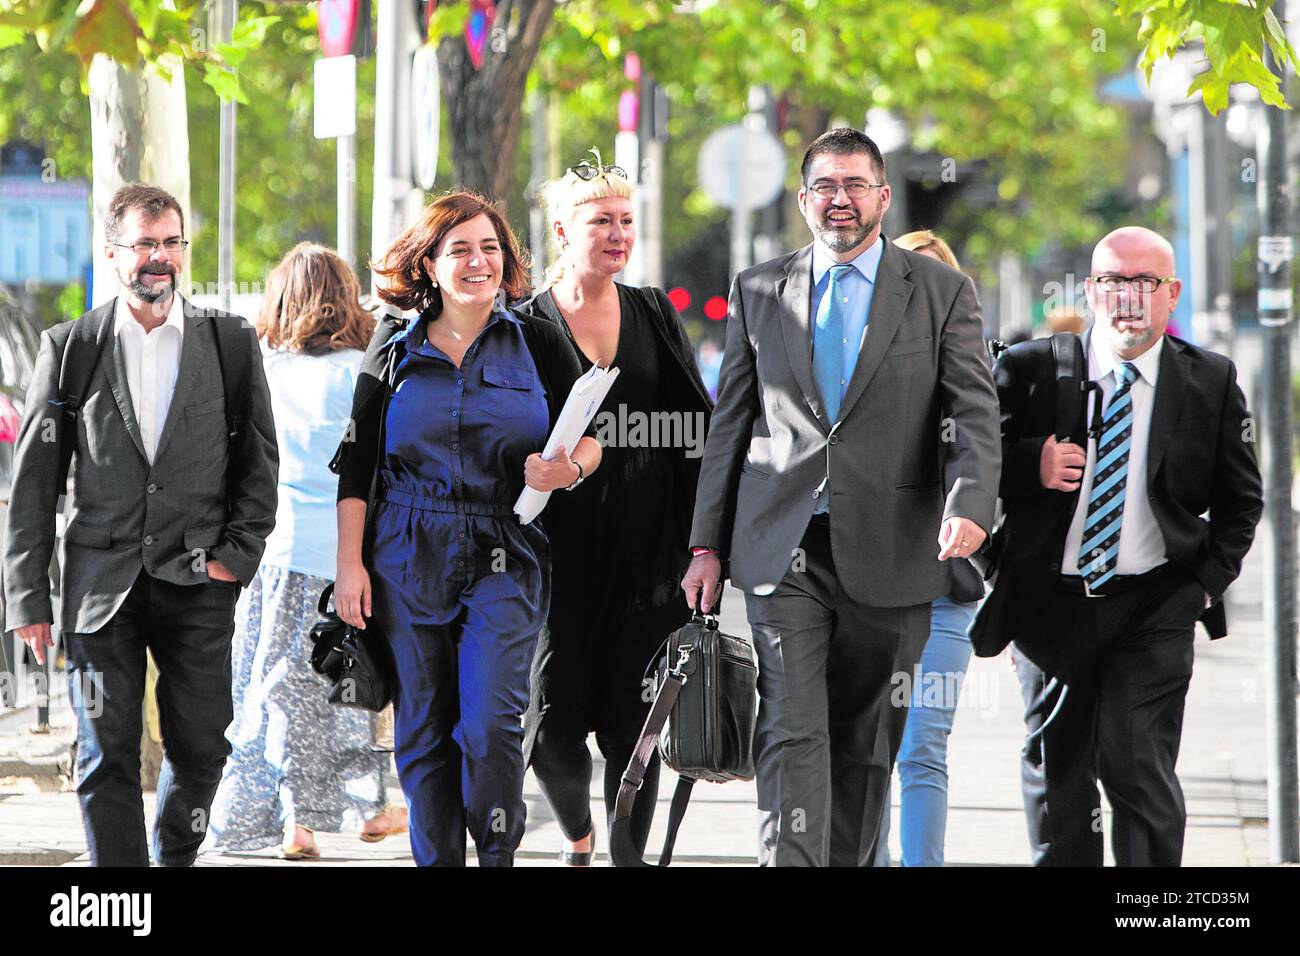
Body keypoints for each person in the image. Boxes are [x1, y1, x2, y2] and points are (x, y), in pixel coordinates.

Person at [682, 129, 1001, 867]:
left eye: (856, 185)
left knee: (865, 743)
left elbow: (973, 413)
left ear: (883, 197)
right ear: (803, 200)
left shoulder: (942, 292)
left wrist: (971, 502)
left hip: (894, 548)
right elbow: (729, 424)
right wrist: (706, 544)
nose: (841, 200)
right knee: (792, 730)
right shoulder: (758, 289)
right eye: (825, 186)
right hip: (781, 549)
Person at [2, 183, 279, 866]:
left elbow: (259, 463)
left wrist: (233, 560)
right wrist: (28, 598)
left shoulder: (230, 342)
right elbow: (33, 484)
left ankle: (173, 860)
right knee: (105, 749)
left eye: (171, 243)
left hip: (198, 583)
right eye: (145, 244)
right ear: (113, 252)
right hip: (100, 591)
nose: (160, 258)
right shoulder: (72, 348)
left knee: (204, 746)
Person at [972, 226, 1262, 866]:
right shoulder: (1031, 369)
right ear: (1090, 291)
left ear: (1171, 294)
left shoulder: (1209, 380)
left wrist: (1203, 586)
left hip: (1154, 601)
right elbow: (968, 469)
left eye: (1144, 283)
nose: (1127, 298)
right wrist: (1031, 470)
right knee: (1059, 772)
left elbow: (1243, 501)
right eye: (1111, 281)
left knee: (1136, 762)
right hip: (1051, 603)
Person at [331, 191, 602, 867]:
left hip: (504, 547)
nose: (479, 261)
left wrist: (562, 470)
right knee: (421, 730)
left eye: (490, 248)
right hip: (405, 549)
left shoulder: (537, 337)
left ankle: (498, 854)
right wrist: (349, 566)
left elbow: (592, 438)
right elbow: (357, 465)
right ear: (427, 262)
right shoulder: (390, 345)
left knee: (489, 726)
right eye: (460, 249)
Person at [517, 153, 712, 866]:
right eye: (602, 220)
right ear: (563, 231)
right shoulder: (526, 325)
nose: (618, 233)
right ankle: (578, 836)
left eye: (627, 221)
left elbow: (698, 423)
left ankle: (627, 858)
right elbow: (507, 433)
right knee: (552, 730)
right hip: (556, 560)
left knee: (638, 729)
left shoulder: (653, 311)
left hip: (651, 556)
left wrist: (705, 545)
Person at [206, 243, 404, 860]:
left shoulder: (263, 370)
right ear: (344, 297)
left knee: (272, 689)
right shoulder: (363, 371)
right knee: (345, 683)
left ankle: (287, 818)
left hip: (274, 551)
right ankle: (360, 803)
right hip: (348, 557)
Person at [873, 229, 986, 867]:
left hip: (946, 595)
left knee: (921, 747)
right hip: (868, 591)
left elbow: (995, 460)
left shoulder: (976, 376)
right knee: (869, 747)